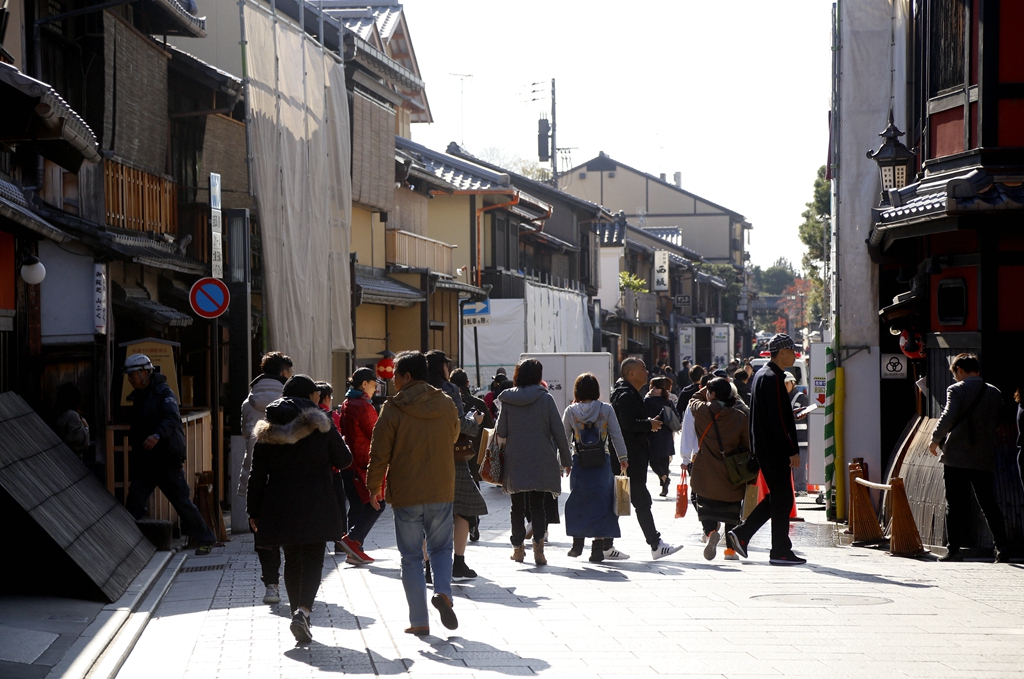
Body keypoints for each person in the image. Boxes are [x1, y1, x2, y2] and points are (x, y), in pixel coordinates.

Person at [247, 375, 352, 644]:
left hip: (280, 503)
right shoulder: (321, 423)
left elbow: (257, 475)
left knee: (292, 559)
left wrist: (253, 511)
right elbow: (344, 459)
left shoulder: (268, 429)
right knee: (315, 556)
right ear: (310, 396)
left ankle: (297, 611)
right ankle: (303, 612)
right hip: (317, 500)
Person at [366, 351, 460, 635]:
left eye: (395, 374)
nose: (392, 380)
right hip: (441, 487)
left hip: (406, 491)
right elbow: (454, 435)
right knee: (442, 548)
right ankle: (443, 592)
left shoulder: (393, 408)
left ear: (407, 376)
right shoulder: (444, 403)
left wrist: (374, 487)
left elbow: (379, 451)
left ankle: (419, 621)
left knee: (410, 557)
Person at [123, 354, 217, 556]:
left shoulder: (164, 393)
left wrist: (157, 435)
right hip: (147, 459)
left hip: (166, 458)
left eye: (132, 374)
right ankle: (125, 544)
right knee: (135, 503)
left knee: (181, 502)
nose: (130, 379)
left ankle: (206, 539)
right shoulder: (139, 396)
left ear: (144, 372)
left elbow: (172, 417)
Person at [726, 334, 806, 566]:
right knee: (782, 497)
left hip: (764, 447)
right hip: (775, 449)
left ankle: (746, 535)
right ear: (782, 352)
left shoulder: (762, 375)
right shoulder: (772, 377)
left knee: (779, 497)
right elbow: (777, 419)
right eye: (792, 350)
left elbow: (767, 416)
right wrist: (791, 449)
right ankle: (778, 549)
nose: (795, 354)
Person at [928, 353, 1009, 563]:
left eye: (955, 373)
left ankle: (954, 550)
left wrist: (935, 439)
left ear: (960, 370)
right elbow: (998, 420)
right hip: (983, 456)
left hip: (957, 456)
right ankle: (1002, 547)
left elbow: (948, 416)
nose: (955, 378)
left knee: (954, 504)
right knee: (989, 503)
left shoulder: (956, 390)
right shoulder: (994, 392)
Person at [495, 358, 571, 566]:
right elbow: (558, 432)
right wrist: (566, 459)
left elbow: (501, 431)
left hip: (516, 458)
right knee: (538, 506)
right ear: (538, 376)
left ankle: (518, 550)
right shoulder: (546, 399)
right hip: (541, 458)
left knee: (517, 506)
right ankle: (539, 551)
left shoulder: (508, 399)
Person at [610, 357, 683, 560]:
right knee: (640, 500)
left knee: (621, 499)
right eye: (643, 369)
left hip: (629, 455)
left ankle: (605, 545)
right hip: (629, 457)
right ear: (631, 374)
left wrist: (649, 424)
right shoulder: (625, 394)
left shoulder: (627, 392)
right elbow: (626, 423)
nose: (647, 372)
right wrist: (648, 425)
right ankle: (655, 543)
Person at [425, 351, 486, 580]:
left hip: (422, 457)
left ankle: (428, 566)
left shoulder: (416, 389)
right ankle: (458, 563)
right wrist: (475, 421)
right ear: (442, 367)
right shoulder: (449, 390)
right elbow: (460, 426)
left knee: (427, 512)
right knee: (463, 508)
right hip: (451, 458)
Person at [238, 351, 293, 603]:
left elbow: (243, 435)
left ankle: (271, 584)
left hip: (258, 473)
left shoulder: (248, 403)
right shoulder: (293, 400)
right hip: (290, 476)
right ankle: (296, 584)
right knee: (292, 533)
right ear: (284, 373)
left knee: (262, 531)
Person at [562, 373, 629, 563]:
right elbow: (616, 434)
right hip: (602, 462)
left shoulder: (570, 411)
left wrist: (564, 463)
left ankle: (577, 543)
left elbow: (564, 439)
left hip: (579, 462)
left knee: (578, 501)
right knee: (602, 504)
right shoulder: (605, 409)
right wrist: (623, 458)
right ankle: (597, 550)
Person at [688, 378, 750, 561]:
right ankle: (730, 551)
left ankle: (711, 533)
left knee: (705, 507)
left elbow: (693, 399)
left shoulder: (702, 411)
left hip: (706, 471)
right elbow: (747, 446)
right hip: (732, 474)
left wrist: (706, 388)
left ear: (712, 394)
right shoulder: (740, 417)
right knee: (731, 512)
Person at [336, 368, 383, 566]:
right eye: (373, 385)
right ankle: (352, 541)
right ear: (364, 384)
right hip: (362, 463)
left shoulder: (347, 403)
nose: (375, 390)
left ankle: (353, 551)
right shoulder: (364, 406)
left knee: (357, 505)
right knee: (377, 504)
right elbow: (377, 434)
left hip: (349, 463)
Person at [450, 368, 495, 543]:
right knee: (473, 490)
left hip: (453, 455)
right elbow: (489, 427)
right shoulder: (478, 403)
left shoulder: (449, 402)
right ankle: (473, 523)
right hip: (474, 454)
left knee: (455, 493)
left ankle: (461, 524)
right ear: (467, 383)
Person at [644, 376, 676, 497]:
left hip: (653, 434)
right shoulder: (668, 402)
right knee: (664, 462)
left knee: (654, 461)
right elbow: (676, 417)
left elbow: (643, 415)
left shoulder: (647, 401)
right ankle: (664, 484)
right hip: (666, 435)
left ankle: (664, 480)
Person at [785, 373, 809, 496]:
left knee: (799, 466)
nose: (784, 386)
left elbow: (809, 418)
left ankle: (801, 488)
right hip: (787, 439)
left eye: (786, 383)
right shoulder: (782, 398)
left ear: (793, 383)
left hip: (801, 439)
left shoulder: (801, 398)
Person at [55, 382, 91, 460]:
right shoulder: (72, 416)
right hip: (70, 459)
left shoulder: (62, 414)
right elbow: (78, 443)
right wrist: (86, 428)